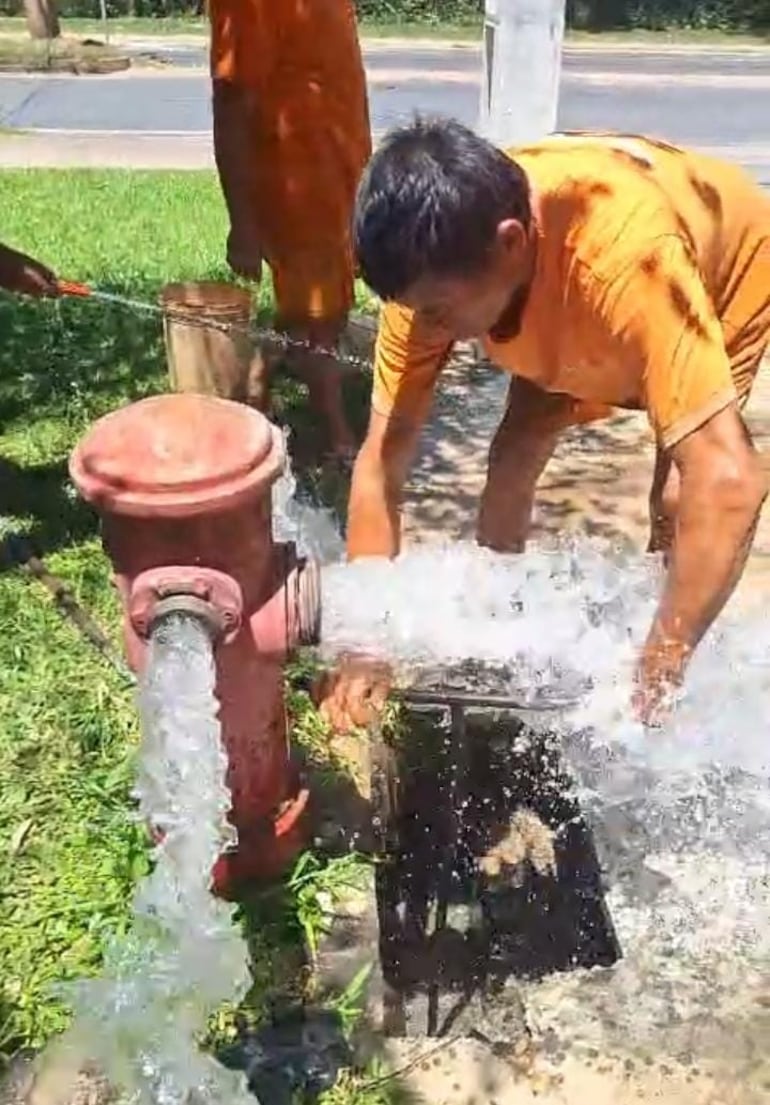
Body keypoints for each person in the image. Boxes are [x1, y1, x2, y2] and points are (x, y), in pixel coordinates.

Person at [318, 120, 770, 732]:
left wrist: (658, 668)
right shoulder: (433, 275)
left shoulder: (623, 266)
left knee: (678, 499)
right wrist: (365, 645)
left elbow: (731, 484)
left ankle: (660, 676)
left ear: (510, 243)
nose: (428, 329)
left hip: (723, 271)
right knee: (516, 448)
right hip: (559, 282)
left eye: (440, 312)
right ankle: (499, 624)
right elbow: (382, 462)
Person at [208, 0, 372, 459]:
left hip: (338, 170)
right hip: (295, 179)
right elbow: (231, 99)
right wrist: (242, 222)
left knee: (317, 310)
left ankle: (255, 394)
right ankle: (339, 441)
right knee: (319, 317)